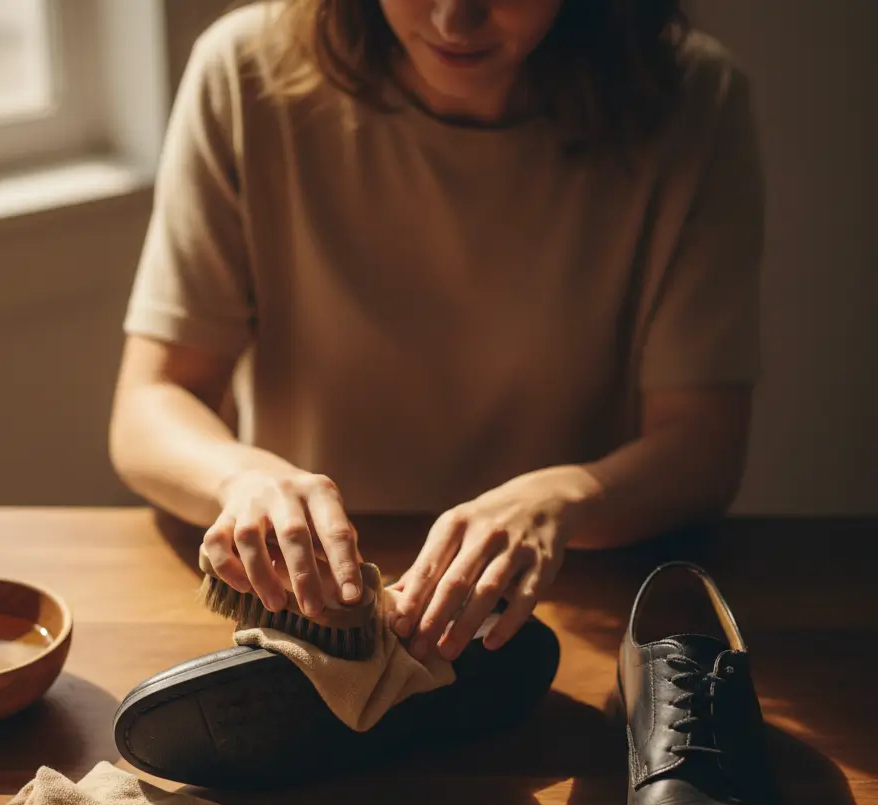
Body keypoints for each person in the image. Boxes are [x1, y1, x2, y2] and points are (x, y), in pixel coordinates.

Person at [109, 0, 763, 668]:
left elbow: (703, 446)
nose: (455, 20)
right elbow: (151, 401)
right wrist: (240, 477)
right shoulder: (248, 71)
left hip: (579, 611)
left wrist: (567, 498)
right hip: (307, 619)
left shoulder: (695, 101)